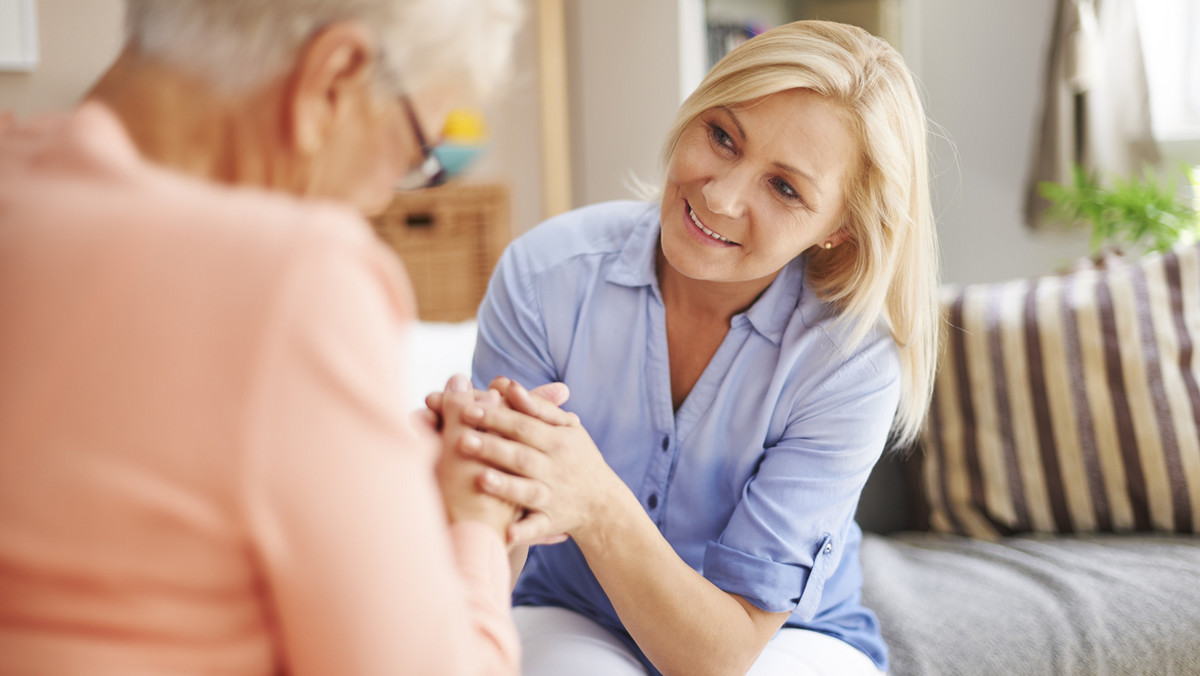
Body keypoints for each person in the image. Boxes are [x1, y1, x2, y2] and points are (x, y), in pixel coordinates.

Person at [0, 0, 531, 673]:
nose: (380, 200)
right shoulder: (299, 278)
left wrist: (364, 467)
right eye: (413, 153)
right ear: (334, 76)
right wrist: (474, 522)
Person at [444, 20, 940, 676]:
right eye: (723, 136)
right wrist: (468, 486)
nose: (721, 195)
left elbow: (722, 654)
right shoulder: (545, 276)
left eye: (785, 188)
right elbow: (489, 551)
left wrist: (594, 497)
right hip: (572, 611)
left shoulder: (848, 360)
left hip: (782, 639)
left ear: (838, 231)